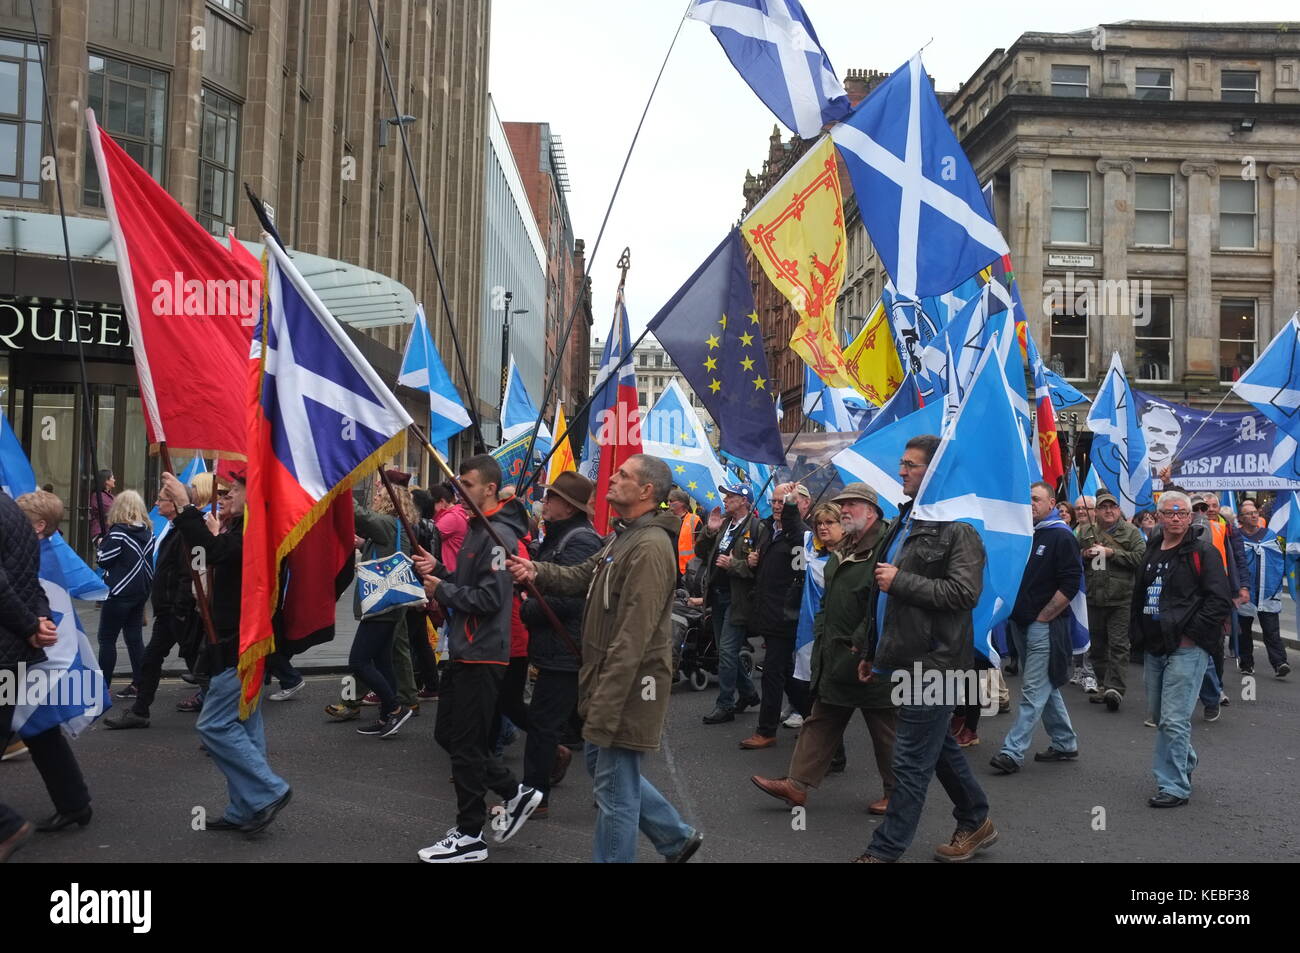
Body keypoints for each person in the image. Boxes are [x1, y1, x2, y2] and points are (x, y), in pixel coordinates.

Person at [508, 454, 702, 863]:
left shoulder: (649, 547)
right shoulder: (625, 535)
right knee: (606, 769)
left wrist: (607, 704)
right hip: (609, 684)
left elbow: (634, 638)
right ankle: (675, 838)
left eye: (623, 476)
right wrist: (535, 570)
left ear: (646, 491)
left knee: (614, 793)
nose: (610, 479)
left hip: (628, 689)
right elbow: (583, 575)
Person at [854, 436, 994, 864]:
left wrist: (901, 581)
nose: (902, 471)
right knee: (937, 750)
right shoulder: (907, 521)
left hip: (938, 663)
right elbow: (881, 595)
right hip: (904, 658)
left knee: (911, 760)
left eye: (911, 465)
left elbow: (963, 593)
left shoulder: (960, 529)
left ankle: (884, 850)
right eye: (902, 464)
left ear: (934, 471)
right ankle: (976, 819)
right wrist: (870, 649)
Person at [414, 455, 539, 863]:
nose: (458, 492)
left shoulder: (497, 535)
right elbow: (470, 585)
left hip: (482, 653)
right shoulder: (477, 529)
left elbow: (490, 598)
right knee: (449, 736)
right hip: (465, 649)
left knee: (466, 745)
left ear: (489, 488)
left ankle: (470, 835)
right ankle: (513, 792)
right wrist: (441, 574)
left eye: (466, 484)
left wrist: (442, 591)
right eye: (457, 484)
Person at [751, 483, 895, 815]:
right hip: (835, 653)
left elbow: (883, 605)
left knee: (885, 730)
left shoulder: (887, 547)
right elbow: (830, 597)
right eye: (841, 504)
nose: (843, 510)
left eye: (852, 505)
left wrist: (863, 644)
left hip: (868, 658)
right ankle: (797, 785)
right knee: (820, 719)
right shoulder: (846, 545)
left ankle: (897, 792)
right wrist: (821, 630)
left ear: (871, 511)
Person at [163, 469, 292, 834]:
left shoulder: (258, 532)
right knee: (245, 726)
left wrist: (187, 507)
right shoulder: (239, 530)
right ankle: (245, 809)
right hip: (233, 639)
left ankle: (268, 790)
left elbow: (216, 552)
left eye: (234, 489)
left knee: (214, 724)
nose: (225, 495)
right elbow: (212, 556)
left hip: (244, 643)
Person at [1, 490, 93, 846]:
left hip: (16, 651)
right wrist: (36, 621)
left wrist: (31, 624)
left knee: (37, 727)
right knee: (39, 729)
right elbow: (32, 588)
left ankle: (9, 826)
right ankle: (73, 801)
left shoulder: (29, 537)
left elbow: (14, 589)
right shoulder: (22, 528)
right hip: (26, 649)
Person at [1132, 491, 1232, 807]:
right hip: (1155, 647)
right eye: (1170, 512)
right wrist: (1139, 636)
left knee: (1175, 720)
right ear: (1159, 516)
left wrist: (1192, 635)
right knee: (1162, 717)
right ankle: (1183, 760)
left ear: (1190, 517)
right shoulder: (1151, 551)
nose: (1176, 517)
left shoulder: (1203, 552)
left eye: (1182, 513)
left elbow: (1219, 600)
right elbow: (1140, 596)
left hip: (1187, 648)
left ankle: (1173, 786)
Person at [518, 472, 602, 818]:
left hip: (566, 649)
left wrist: (528, 607)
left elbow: (570, 599)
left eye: (550, 497)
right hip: (554, 647)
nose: (544, 502)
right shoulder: (560, 535)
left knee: (543, 726)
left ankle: (535, 799)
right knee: (555, 724)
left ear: (567, 506)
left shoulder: (580, 541)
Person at [990, 482, 1083, 774]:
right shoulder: (1026, 535)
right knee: (1045, 685)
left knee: (1032, 689)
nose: (1030, 504)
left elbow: (1071, 583)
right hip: (1021, 623)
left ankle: (1012, 752)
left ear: (1051, 502)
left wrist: (1044, 616)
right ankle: (1065, 742)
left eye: (1036, 499)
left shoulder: (1060, 536)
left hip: (1045, 625)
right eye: (1026, 499)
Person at [103, 479, 205, 729]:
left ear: (175, 503)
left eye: (161, 499)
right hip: (168, 611)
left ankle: (224, 720)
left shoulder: (186, 532)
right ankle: (140, 711)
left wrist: (180, 609)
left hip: (178, 611)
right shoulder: (173, 528)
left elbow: (189, 572)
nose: (156, 503)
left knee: (198, 666)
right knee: (152, 660)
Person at [331, 472, 417, 737]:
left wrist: (339, 481)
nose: (376, 499)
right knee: (383, 663)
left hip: (379, 604)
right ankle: (386, 716)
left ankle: (394, 708)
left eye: (379, 496)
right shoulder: (397, 525)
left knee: (358, 661)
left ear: (390, 502)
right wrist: (364, 543)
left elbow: (358, 514)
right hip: (390, 603)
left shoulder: (387, 523)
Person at [739, 483, 808, 750]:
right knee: (786, 674)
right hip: (768, 612)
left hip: (784, 615)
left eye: (784, 502)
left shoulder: (800, 535)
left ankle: (766, 730)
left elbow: (799, 573)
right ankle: (817, 723)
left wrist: (791, 513)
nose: (777, 506)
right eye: (775, 501)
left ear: (799, 504)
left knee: (772, 672)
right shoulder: (770, 530)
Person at [695, 483, 765, 724]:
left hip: (739, 601)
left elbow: (759, 569)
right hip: (719, 595)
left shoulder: (756, 528)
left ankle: (725, 704)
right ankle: (748, 693)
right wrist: (709, 530)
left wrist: (733, 565)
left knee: (726, 652)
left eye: (731, 496)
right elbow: (701, 553)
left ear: (744, 501)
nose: (725, 500)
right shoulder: (725, 524)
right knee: (727, 653)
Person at [1077, 490, 1147, 712]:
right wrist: (1083, 554)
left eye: (1112, 507)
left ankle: (1115, 689)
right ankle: (1102, 684)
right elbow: (1070, 555)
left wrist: (1111, 552)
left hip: (1120, 599)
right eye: (1104, 507)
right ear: (1096, 512)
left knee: (1118, 645)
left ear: (1118, 510)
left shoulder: (1131, 532)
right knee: (1097, 647)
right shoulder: (1086, 530)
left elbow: (1140, 558)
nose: (1108, 511)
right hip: (1092, 597)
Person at [785, 501, 844, 729]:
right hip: (808, 631)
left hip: (836, 634)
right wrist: (790, 502)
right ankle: (821, 736)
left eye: (830, 522)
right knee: (804, 685)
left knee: (832, 696)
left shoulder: (853, 556)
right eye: (819, 523)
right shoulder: (810, 545)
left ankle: (828, 744)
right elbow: (793, 527)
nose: (823, 527)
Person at [94, 490, 156, 700]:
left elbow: (103, 560)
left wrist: (101, 544)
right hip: (140, 591)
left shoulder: (118, 533)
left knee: (107, 639)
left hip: (119, 592)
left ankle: (103, 687)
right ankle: (139, 683)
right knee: (134, 638)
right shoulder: (149, 532)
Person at [1235, 499, 1291, 678]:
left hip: (1267, 591)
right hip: (1245, 591)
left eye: (1255, 513)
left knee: (1271, 630)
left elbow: (1278, 560)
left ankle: (1280, 662)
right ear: (1240, 518)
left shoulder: (1269, 535)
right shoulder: (1236, 537)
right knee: (1244, 631)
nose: (1254, 516)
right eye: (1249, 513)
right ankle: (1246, 663)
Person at [667, 489, 701, 578]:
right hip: (669, 569)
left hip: (687, 571)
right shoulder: (666, 520)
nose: (668, 503)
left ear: (681, 503)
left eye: (671, 501)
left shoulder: (694, 520)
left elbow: (702, 547)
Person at [88, 469, 115, 544]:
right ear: (106, 481)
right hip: (101, 533)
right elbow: (110, 510)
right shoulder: (97, 496)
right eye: (112, 478)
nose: (114, 480)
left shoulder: (109, 496)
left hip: (108, 531)